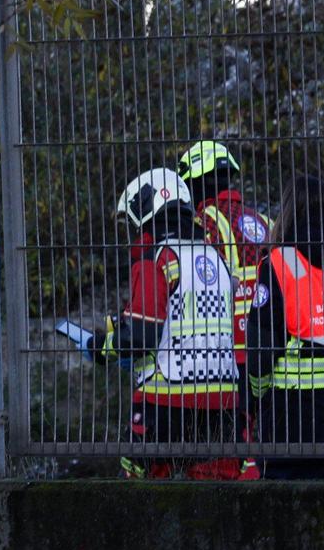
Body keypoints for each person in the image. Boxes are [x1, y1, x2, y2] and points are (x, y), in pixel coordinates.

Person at [93, 167, 241, 480]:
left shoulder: (157, 258)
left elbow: (141, 337)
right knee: (218, 497)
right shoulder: (218, 258)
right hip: (224, 400)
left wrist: (102, 347)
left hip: (166, 398)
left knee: (142, 493)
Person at [245, 173, 324, 480]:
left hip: (291, 420)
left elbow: (260, 351)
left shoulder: (279, 263)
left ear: (287, 212)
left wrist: (257, 396)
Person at [178, 138, 272, 476]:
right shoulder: (262, 220)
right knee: (262, 433)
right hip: (267, 340)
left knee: (227, 443)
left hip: (227, 348)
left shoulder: (203, 223)